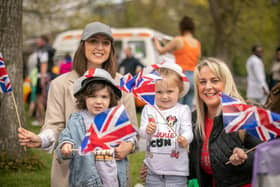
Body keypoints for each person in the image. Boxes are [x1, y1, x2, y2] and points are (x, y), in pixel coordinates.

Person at [18, 21, 137, 187]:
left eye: (105, 42)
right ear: (82, 45)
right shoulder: (60, 84)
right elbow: (54, 126)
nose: (99, 47)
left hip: (112, 175)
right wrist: (41, 139)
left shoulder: (123, 84)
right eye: (93, 41)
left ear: (111, 48)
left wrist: (129, 145)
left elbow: (133, 132)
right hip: (72, 175)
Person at [56, 67, 136, 187]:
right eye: (93, 96)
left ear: (111, 99)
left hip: (113, 177)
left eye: (104, 97)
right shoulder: (77, 120)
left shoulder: (116, 119)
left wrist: (128, 145)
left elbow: (130, 137)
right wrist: (66, 145)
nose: (98, 101)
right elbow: (66, 137)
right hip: (87, 180)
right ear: (84, 97)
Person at [189, 57, 261, 187]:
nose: (208, 87)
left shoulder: (243, 116)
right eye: (202, 82)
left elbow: (265, 153)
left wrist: (244, 158)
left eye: (215, 81)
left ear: (226, 83)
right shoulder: (193, 120)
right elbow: (192, 165)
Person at [140, 62, 193, 187]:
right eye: (159, 92)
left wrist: (185, 138)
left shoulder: (183, 110)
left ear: (179, 91)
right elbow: (142, 133)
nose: (164, 96)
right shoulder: (149, 109)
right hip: (152, 169)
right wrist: (147, 130)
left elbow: (188, 131)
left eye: (170, 91)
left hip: (177, 170)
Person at [153, 15, 201, 110]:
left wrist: (155, 41)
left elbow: (160, 51)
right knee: (188, 109)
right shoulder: (197, 43)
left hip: (182, 76)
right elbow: (182, 53)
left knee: (176, 108)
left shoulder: (178, 40)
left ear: (181, 27)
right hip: (194, 77)